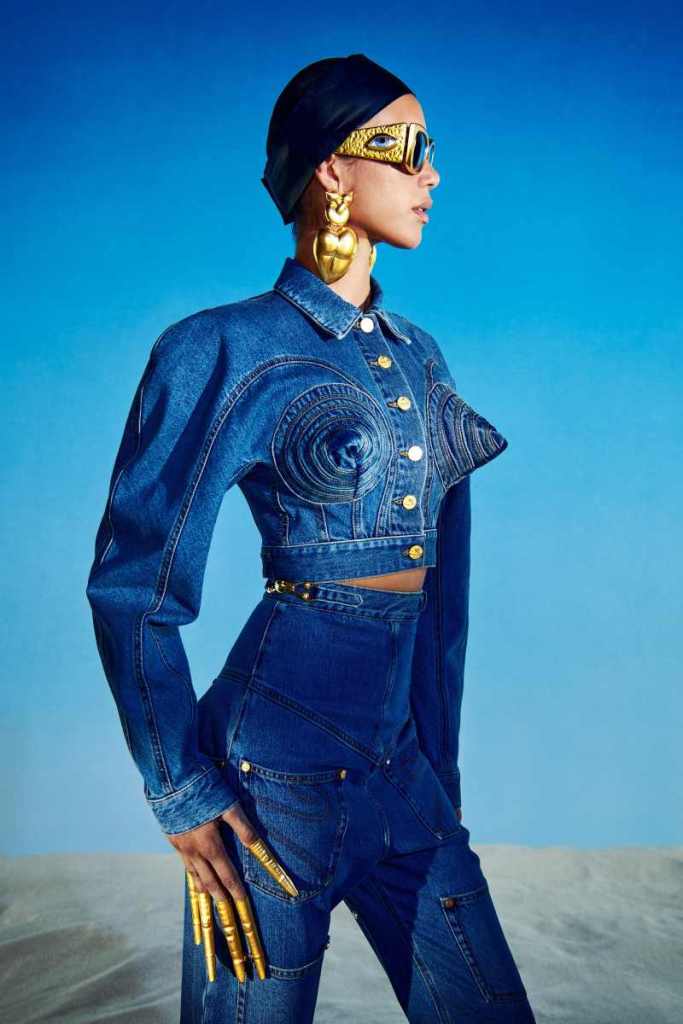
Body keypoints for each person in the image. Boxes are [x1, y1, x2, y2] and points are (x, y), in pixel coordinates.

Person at [85, 52, 536, 1024]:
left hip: (400, 771)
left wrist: (439, 769)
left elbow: (443, 599)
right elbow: (133, 586)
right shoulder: (220, 347)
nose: (430, 173)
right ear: (331, 166)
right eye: (406, 148)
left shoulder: (419, 358)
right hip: (269, 775)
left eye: (430, 151)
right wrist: (179, 788)